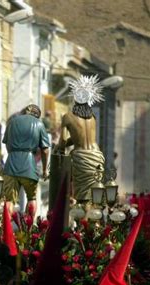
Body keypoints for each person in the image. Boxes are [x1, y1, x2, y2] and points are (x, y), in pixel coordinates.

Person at [53, 75, 105, 203]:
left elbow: (64, 140)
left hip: (82, 159)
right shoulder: (92, 117)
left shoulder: (68, 117)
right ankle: (93, 221)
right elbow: (84, 138)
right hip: (97, 156)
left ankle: (83, 222)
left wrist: (58, 148)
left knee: (81, 197)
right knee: (94, 196)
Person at [2, 104, 50, 219]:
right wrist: (44, 170)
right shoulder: (39, 124)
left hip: (11, 163)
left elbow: (7, 144)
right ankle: (28, 229)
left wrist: (14, 155)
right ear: (37, 115)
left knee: (9, 200)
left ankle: (6, 231)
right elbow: (45, 150)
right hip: (29, 164)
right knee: (32, 197)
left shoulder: (12, 122)